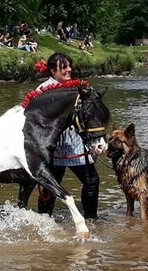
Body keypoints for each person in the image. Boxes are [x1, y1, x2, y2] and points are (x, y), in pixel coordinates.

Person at [34, 52, 100, 219]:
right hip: (52, 148)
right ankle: (44, 222)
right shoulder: (42, 90)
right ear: (52, 70)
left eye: (70, 66)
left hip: (77, 144)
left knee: (92, 181)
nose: (69, 69)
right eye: (64, 67)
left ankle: (92, 219)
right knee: (50, 187)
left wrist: (93, 142)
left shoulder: (79, 87)